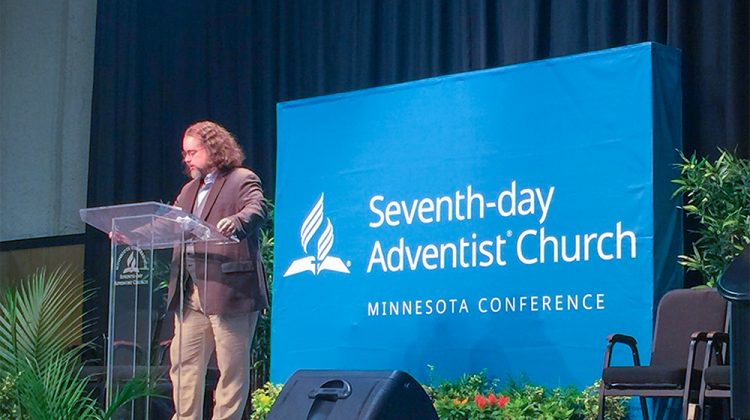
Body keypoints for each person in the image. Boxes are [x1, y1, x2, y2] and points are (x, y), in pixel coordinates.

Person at [167, 120, 267, 420]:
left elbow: (256, 208)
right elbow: (168, 224)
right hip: (191, 292)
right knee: (183, 367)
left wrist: (237, 221)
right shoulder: (188, 191)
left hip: (229, 291)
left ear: (213, 149)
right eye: (185, 153)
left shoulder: (241, 179)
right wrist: (131, 233)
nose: (187, 159)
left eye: (193, 152)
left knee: (231, 370)